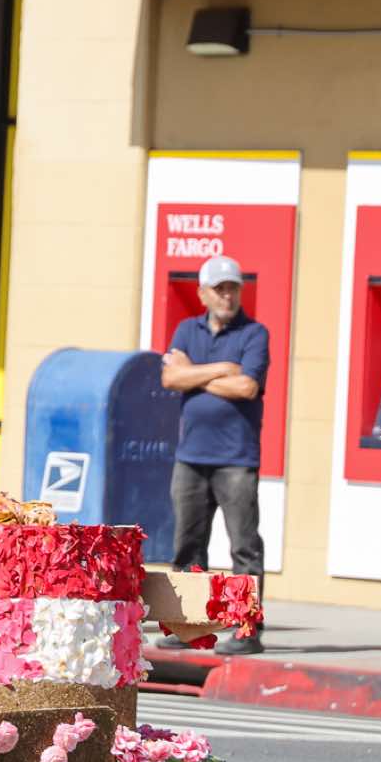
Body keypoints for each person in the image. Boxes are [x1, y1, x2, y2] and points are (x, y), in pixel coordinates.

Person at [160, 254, 269, 656]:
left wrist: (195, 373)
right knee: (188, 546)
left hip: (236, 458)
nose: (227, 296)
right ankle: (187, 626)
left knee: (244, 546)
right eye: (219, 289)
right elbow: (171, 377)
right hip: (191, 457)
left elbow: (247, 388)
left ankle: (247, 630)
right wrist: (222, 368)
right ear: (202, 293)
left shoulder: (254, 334)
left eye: (233, 288)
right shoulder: (186, 330)